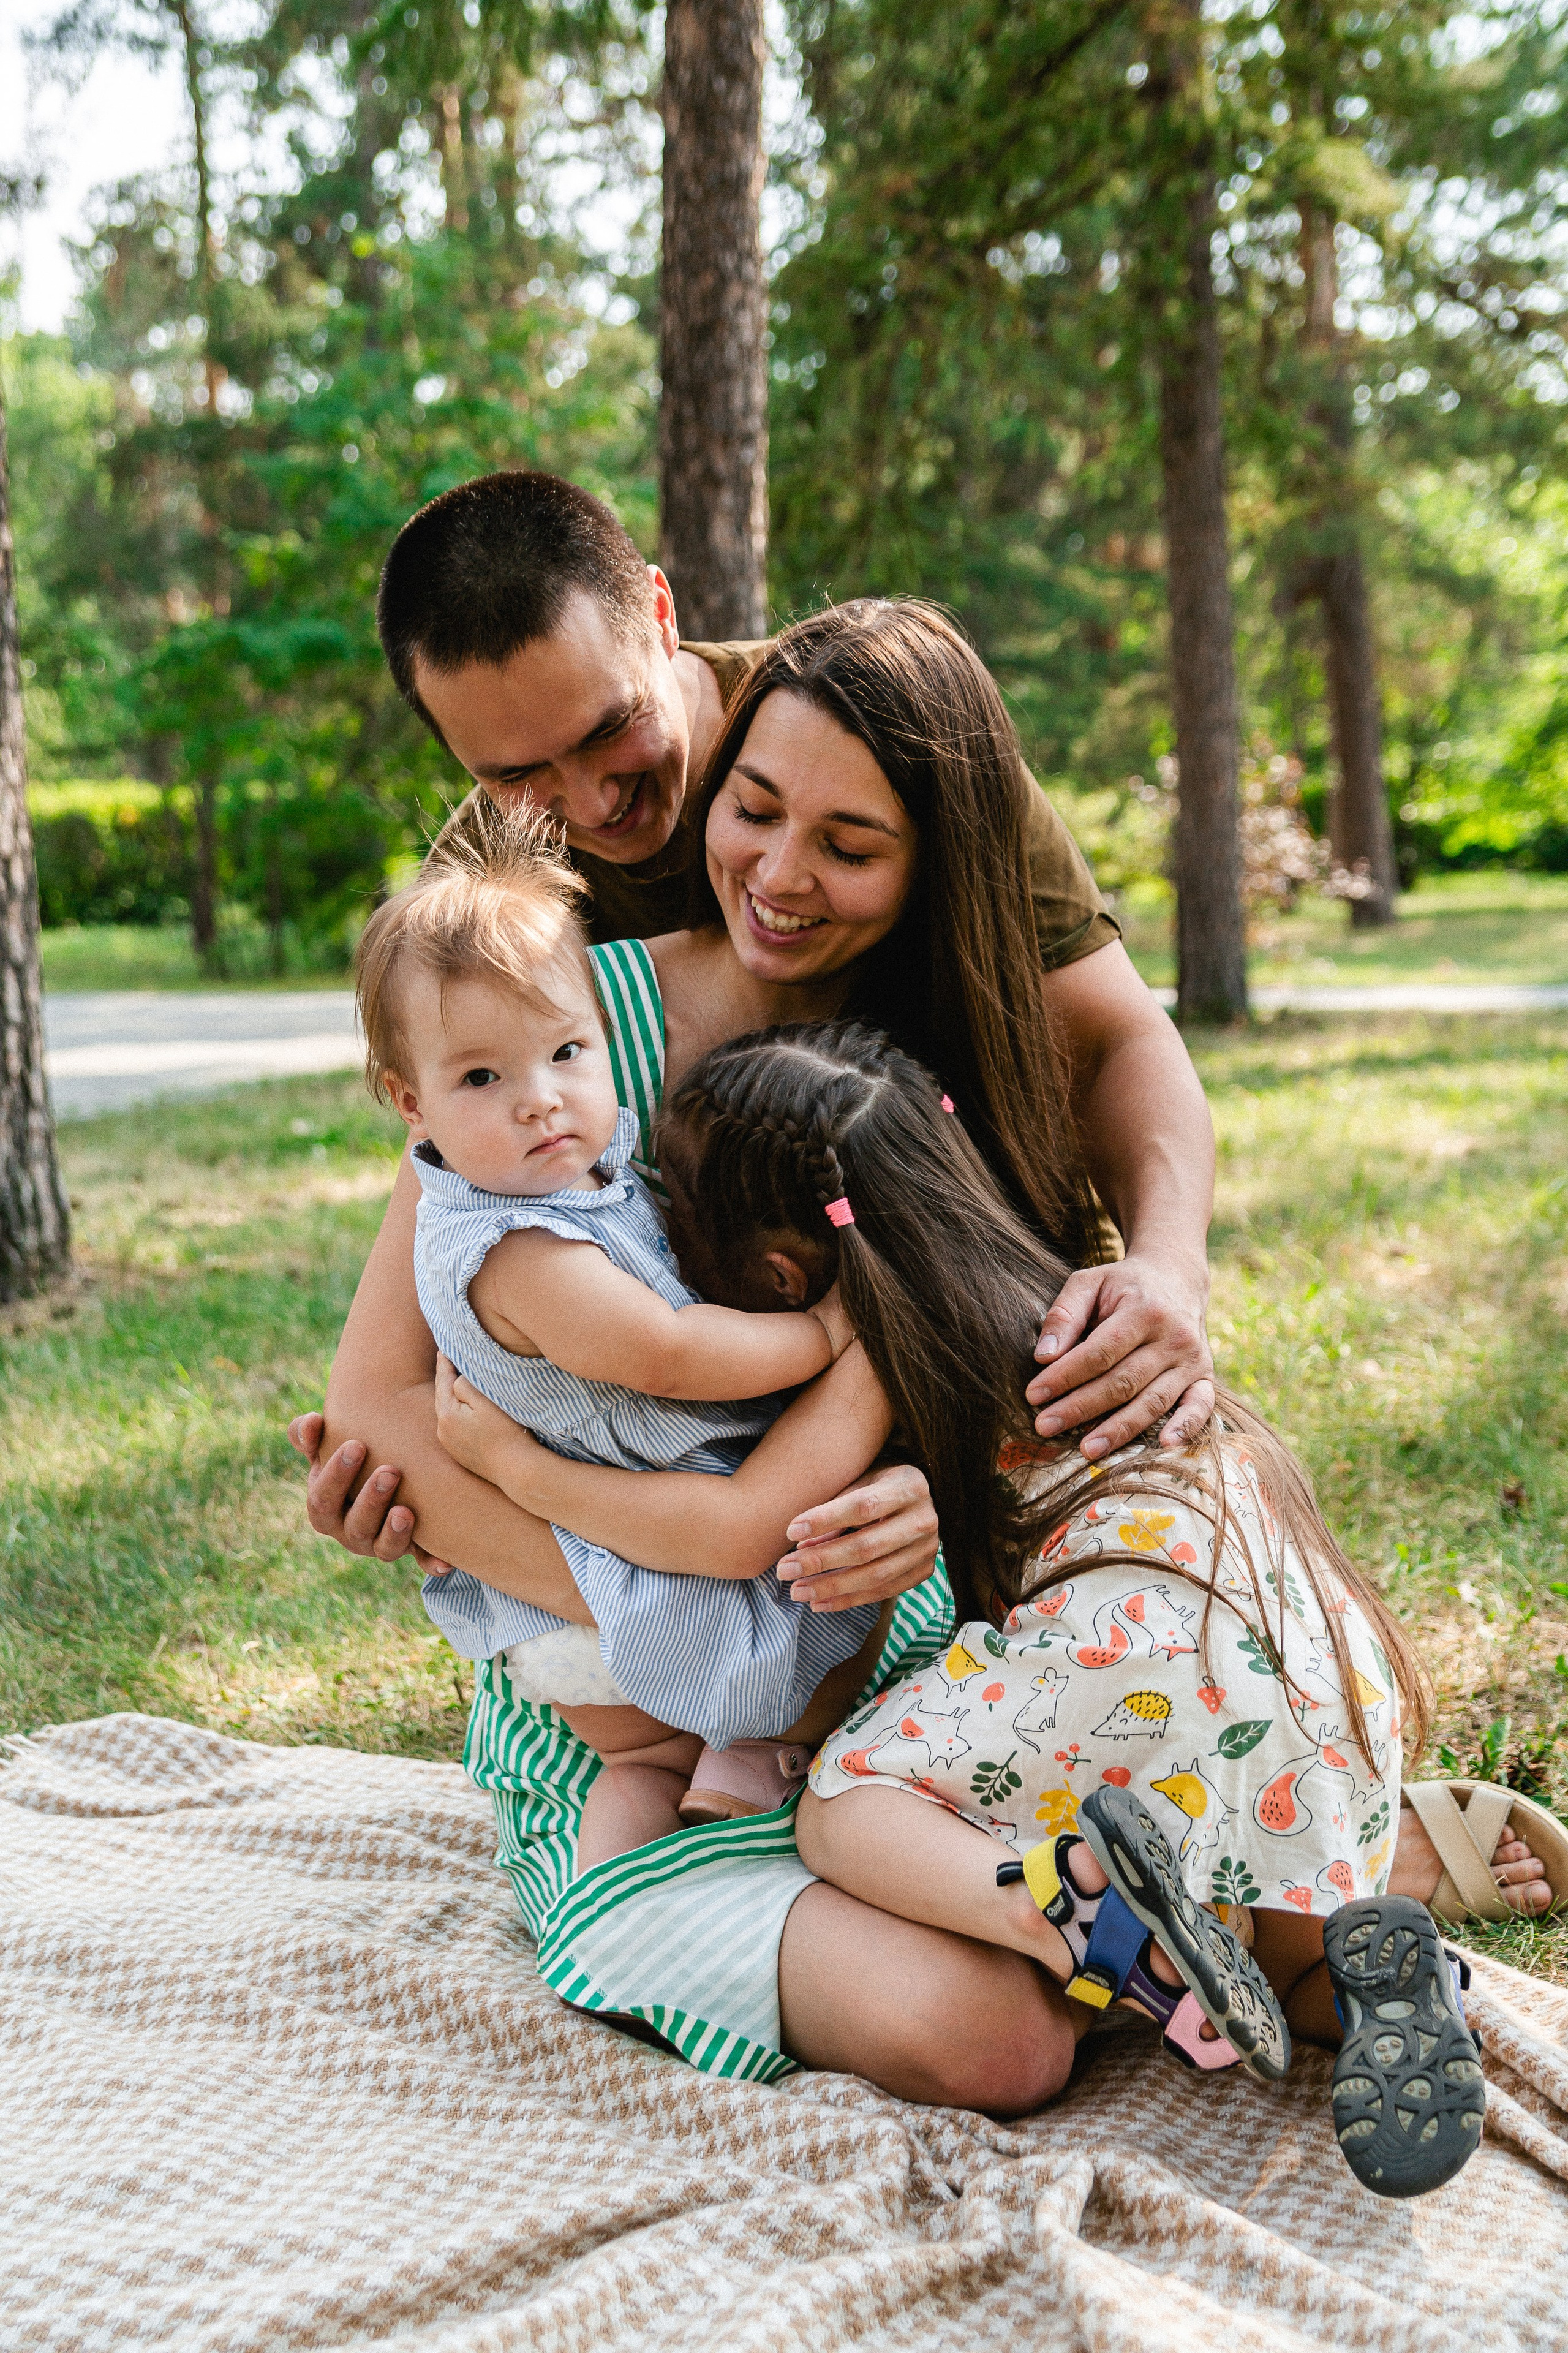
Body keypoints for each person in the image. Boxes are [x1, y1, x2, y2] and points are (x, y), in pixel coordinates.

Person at [291, 598, 1553, 2104]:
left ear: (926, 863)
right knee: (998, 2036)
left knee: (1020, 1937)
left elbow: (1119, 1072)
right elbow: (387, 1413)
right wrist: (705, 1618)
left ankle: (1302, 1893)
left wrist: (1115, 1319)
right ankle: (1306, 1865)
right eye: (752, 811)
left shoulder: (932, 1072)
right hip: (656, 1719)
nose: (777, 872)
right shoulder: (561, 1033)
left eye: (846, 845)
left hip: (909, 1672)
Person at [448, 1016, 1485, 2198]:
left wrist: (521, 1470)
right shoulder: (1065, 1291)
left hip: (1130, 1636)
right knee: (1284, 1936)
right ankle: (1366, 1976)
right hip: (1305, 1648)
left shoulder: (875, 1345)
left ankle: (1065, 1907)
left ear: (780, 1277)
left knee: (847, 1805)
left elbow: (742, 1526)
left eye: (672, 1215)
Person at [314, 466, 1221, 1508]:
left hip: (983, 1329)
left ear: (660, 615)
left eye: (610, 729)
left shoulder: (869, 724)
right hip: (723, 1435)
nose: (592, 800)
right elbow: (468, 1220)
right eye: (517, 774)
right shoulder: (495, 899)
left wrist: (1167, 1269)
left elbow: (1112, 1041)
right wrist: (429, 1475)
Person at [353, 805, 888, 1855]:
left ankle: (675, 1820)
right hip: (607, 1596)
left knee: (647, 1765)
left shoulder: (568, 1175)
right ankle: (666, 1848)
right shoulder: (517, 1248)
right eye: (481, 1077)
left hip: (601, 1567)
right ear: (411, 1102)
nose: (540, 1100)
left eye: (565, 1050)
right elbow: (668, 1353)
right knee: (775, 1663)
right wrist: (823, 1338)